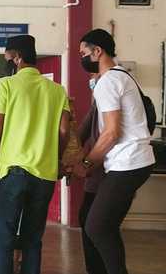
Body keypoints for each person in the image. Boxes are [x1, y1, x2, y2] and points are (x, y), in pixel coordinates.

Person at [0, 35, 70, 274]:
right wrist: (56, 160)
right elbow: (64, 131)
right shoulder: (57, 90)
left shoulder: (6, 84)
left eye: (8, 58)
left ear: (18, 57)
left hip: (14, 174)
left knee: (5, 239)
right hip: (44, 175)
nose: (7, 62)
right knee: (33, 240)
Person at [69, 29, 155, 274]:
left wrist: (85, 164)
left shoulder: (108, 81)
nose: (82, 58)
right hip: (132, 162)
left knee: (97, 226)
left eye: (84, 53)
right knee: (100, 224)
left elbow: (110, 133)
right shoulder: (121, 76)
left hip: (128, 163)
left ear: (98, 51)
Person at [76, 72, 108, 274]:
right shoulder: (97, 104)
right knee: (88, 220)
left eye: (95, 75)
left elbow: (107, 137)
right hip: (95, 173)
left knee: (96, 225)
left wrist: (86, 163)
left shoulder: (108, 104)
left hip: (106, 171)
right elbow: (83, 131)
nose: (92, 80)